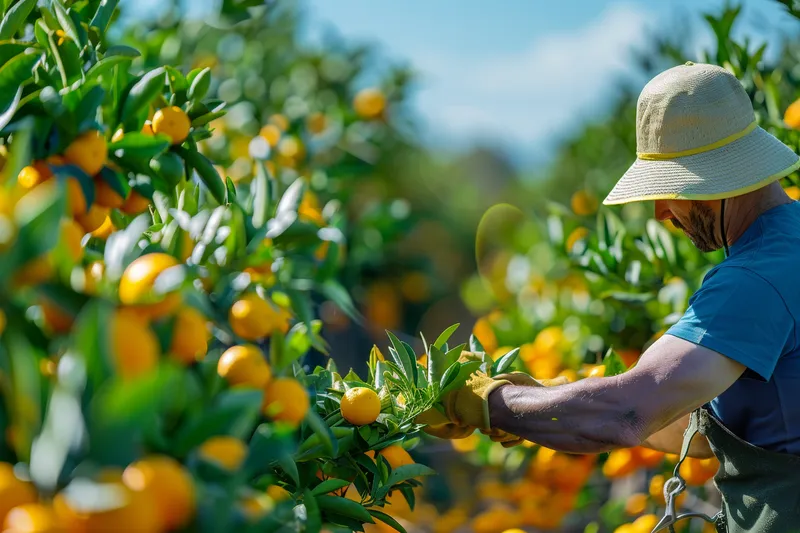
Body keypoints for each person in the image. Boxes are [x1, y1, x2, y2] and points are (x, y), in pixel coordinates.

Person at [428, 63, 800, 533]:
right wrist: (545, 402)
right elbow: (697, 429)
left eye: (674, 189)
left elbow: (629, 412)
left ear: (722, 179)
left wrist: (487, 402)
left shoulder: (754, 279)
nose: (662, 211)